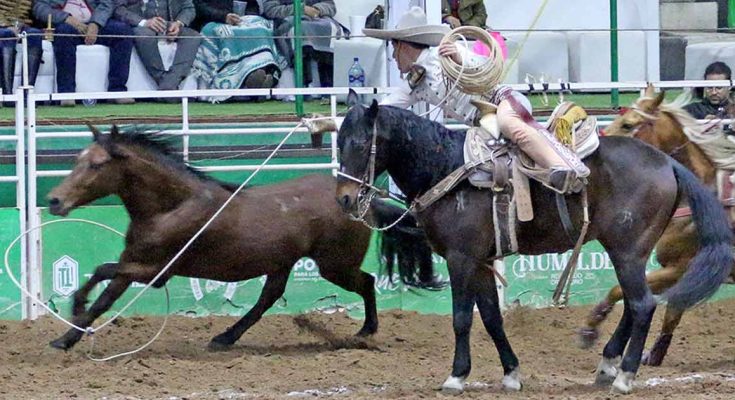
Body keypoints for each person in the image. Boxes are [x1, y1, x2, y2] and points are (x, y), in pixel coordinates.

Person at [363, 7, 589, 192]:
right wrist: (345, 121)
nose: (393, 58)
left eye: (393, 50)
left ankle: (564, 168)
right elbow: (382, 109)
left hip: (503, 102)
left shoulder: (446, 54)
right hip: (482, 123)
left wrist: (459, 57)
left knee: (511, 125)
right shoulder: (413, 83)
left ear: (402, 46)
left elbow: (484, 67)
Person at [33, 0, 136, 106]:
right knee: (63, 33)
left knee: (123, 31)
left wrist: (96, 23)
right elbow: (39, 8)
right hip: (66, 24)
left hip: (94, 23)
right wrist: (66, 18)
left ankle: (117, 91)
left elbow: (107, 3)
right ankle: (67, 93)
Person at [191, 0, 287, 102]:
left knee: (260, 29)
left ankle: (262, 72)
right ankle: (248, 80)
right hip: (214, 22)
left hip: (241, 21)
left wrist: (247, 16)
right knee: (227, 33)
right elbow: (198, 6)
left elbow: (253, 7)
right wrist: (224, 16)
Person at [115, 0, 202, 94]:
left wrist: (178, 23)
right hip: (142, 26)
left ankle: (170, 83)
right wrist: (144, 22)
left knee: (193, 36)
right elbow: (118, 9)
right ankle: (166, 84)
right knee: (143, 35)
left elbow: (188, 8)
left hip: (169, 24)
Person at [262, 0, 342, 89]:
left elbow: (330, 5)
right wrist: (300, 9)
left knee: (330, 28)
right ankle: (304, 86)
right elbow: (270, 10)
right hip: (289, 20)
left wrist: (317, 9)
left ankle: (329, 88)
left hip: (318, 18)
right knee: (299, 31)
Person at [0, 0, 44, 101]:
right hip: (3, 26)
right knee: (7, 34)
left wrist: (18, 26)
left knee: (34, 35)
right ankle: (7, 96)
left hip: (21, 25)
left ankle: (27, 94)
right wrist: (6, 25)